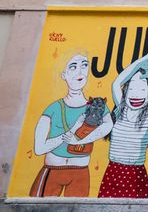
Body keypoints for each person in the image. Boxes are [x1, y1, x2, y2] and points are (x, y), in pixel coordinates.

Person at [30, 50, 113, 197]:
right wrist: (69, 134)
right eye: (73, 66)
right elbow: (39, 148)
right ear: (64, 75)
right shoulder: (54, 108)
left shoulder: (97, 105)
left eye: (84, 65)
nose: (80, 71)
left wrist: (79, 140)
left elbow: (108, 125)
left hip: (80, 172)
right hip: (53, 169)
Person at [98, 48, 148, 198]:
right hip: (113, 171)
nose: (135, 94)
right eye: (132, 88)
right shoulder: (121, 107)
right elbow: (116, 83)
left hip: (135, 174)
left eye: (142, 89)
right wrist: (139, 63)